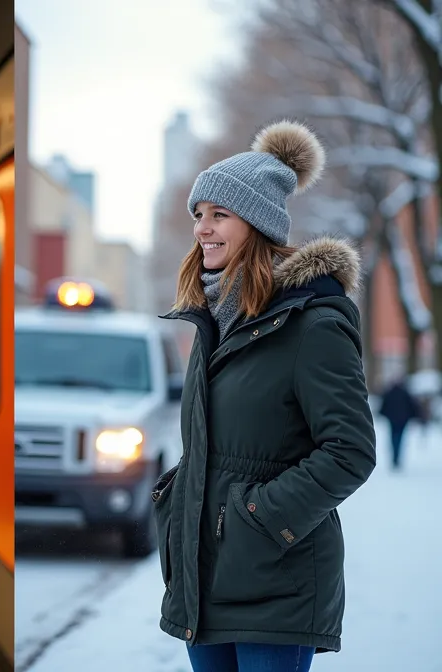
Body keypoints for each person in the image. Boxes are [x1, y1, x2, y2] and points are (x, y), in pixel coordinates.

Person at [155, 120, 376, 672]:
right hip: (204, 582)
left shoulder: (313, 324)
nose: (203, 229)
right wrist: (177, 496)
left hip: (277, 582)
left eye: (219, 214)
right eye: (198, 215)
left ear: (257, 224)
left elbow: (350, 450)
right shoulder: (215, 323)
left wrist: (258, 517)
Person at [377, 375, 421, 470]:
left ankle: (395, 457)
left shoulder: (390, 392)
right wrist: (414, 416)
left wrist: (383, 414)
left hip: (393, 419)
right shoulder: (405, 393)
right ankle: (397, 457)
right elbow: (412, 406)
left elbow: (384, 405)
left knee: (393, 438)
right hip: (402, 420)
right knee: (399, 438)